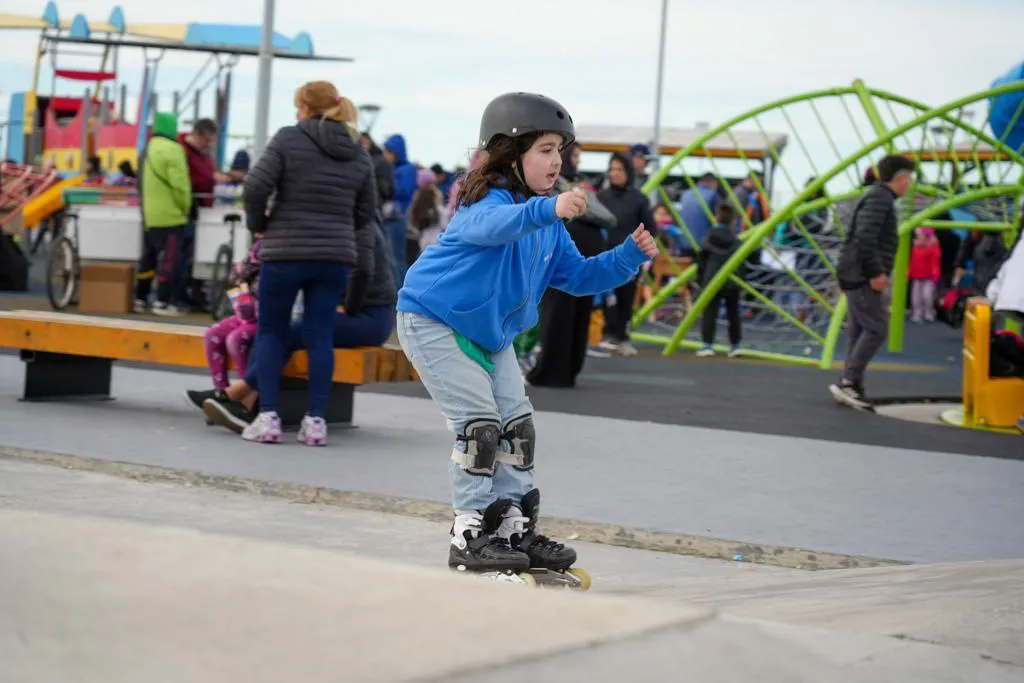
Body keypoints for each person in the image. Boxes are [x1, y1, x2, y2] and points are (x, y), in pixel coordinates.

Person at [395, 92, 658, 576]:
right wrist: (549, 209)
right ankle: (469, 533)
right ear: (510, 153)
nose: (557, 161)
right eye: (544, 150)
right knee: (479, 428)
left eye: (560, 150)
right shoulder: (483, 200)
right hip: (433, 320)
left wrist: (627, 256)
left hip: (492, 336)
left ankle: (513, 526)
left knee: (517, 429)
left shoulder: (548, 223)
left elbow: (577, 278)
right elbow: (494, 227)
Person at [241, 80, 377, 446]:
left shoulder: (288, 138)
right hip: (334, 257)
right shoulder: (358, 151)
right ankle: (315, 422)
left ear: (304, 106)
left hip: (285, 251)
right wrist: (338, 226)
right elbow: (367, 211)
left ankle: (268, 417)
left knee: (271, 330)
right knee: (320, 336)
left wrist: (259, 225)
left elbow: (255, 186)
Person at [193, 224, 398, 433]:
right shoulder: (338, 224)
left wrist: (346, 305)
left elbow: (362, 272)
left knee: (296, 331)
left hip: (370, 317)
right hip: (349, 310)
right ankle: (245, 404)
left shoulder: (358, 227)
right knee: (275, 332)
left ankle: (235, 394)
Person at [526, 141, 617, 387]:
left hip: (569, 250)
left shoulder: (558, 185)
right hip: (575, 250)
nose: (576, 160)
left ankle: (555, 369)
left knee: (562, 311)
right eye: (575, 155)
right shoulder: (575, 186)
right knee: (569, 310)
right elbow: (606, 217)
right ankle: (564, 369)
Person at [829, 154, 916, 411]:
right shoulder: (880, 200)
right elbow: (866, 238)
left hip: (854, 272)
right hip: (862, 274)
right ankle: (849, 382)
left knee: (859, 330)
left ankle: (852, 383)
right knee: (876, 329)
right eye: (909, 179)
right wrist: (876, 272)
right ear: (900, 179)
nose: (909, 184)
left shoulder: (877, 197)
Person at [184, 240, 262, 408]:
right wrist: (241, 297)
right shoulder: (254, 254)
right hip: (246, 314)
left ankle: (243, 393)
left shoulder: (274, 256)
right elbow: (234, 279)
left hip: (265, 318)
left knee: (235, 339)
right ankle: (221, 391)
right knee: (213, 334)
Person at [595, 152, 657, 356]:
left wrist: (645, 257)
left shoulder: (639, 200)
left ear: (628, 173)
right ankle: (603, 336)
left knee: (625, 299)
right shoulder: (601, 197)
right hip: (603, 256)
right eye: (612, 169)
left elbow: (650, 229)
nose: (614, 173)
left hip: (629, 259)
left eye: (619, 169)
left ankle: (622, 337)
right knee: (603, 299)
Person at [134, 111, 192, 316]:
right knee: (169, 259)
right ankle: (162, 302)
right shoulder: (174, 149)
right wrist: (185, 206)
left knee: (148, 257)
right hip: (171, 215)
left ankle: (140, 299)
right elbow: (180, 185)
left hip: (149, 215)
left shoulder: (148, 148)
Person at [696, 204, 744, 357]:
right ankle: (735, 346)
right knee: (733, 313)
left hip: (712, 279)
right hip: (731, 279)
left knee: (709, 312)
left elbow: (701, 260)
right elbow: (742, 262)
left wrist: (700, 279)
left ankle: (707, 345)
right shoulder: (737, 241)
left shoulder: (708, 238)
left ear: (716, 218)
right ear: (733, 221)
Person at [382, 134, 417, 288]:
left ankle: (400, 291)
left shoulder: (407, 168)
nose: (387, 155)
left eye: (389, 151)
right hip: (388, 217)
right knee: (390, 258)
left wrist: (387, 186)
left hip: (397, 217)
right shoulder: (392, 167)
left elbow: (405, 190)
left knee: (396, 259)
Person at [908, 227, 941, 323]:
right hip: (917, 276)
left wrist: (935, 274)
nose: (919, 239)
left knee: (927, 296)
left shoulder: (933, 248)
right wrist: (909, 273)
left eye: (921, 237)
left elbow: (935, 262)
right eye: (918, 237)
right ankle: (917, 313)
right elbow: (912, 262)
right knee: (915, 297)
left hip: (929, 277)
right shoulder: (914, 248)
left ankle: (928, 312)